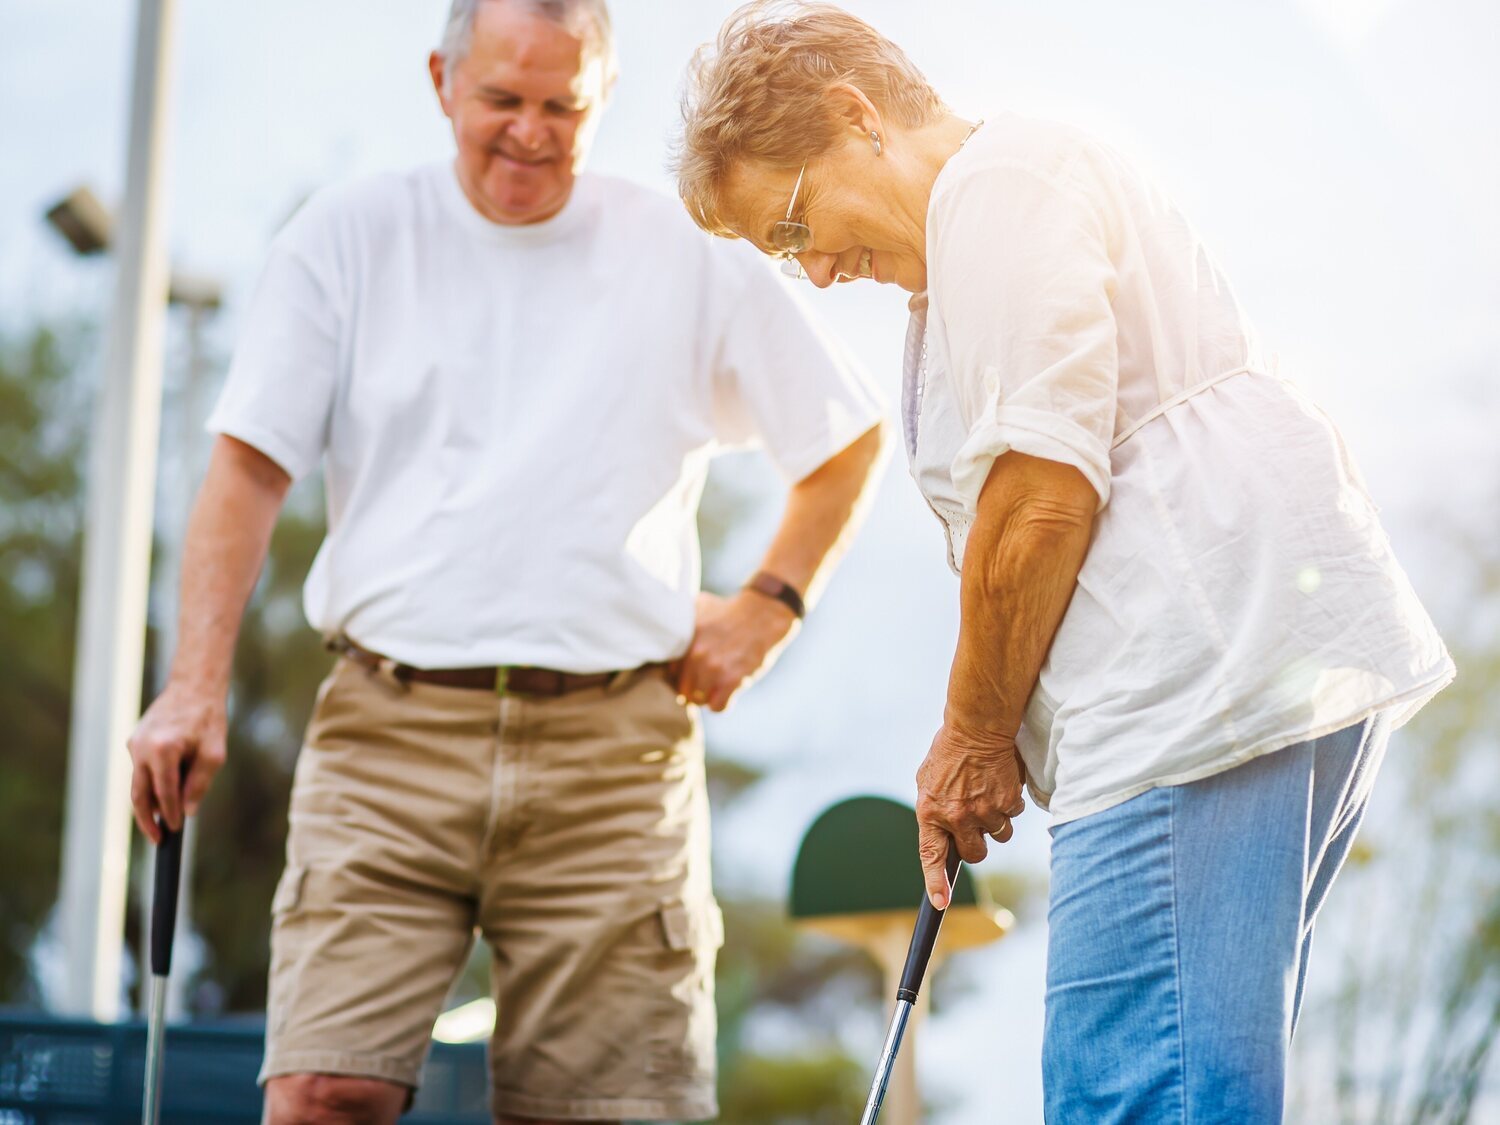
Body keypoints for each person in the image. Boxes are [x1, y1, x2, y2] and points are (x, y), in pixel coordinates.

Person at [674, 3, 1454, 1120]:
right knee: (1179, 1086)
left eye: (793, 230)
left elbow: (1040, 494)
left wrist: (974, 734)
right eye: (785, 261)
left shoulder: (1000, 182)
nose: (821, 271)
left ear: (856, 116)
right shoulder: (974, 236)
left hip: (1188, 683)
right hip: (1215, 675)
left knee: (1136, 1094)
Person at [125, 1, 887, 1121]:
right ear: (442, 80)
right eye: (502, 101)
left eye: (560, 106)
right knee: (323, 1091)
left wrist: (769, 605)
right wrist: (192, 689)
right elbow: (247, 470)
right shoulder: (346, 236)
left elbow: (844, 435)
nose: (529, 132)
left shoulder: (681, 249)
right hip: (388, 739)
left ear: (601, 99)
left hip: (612, 760)